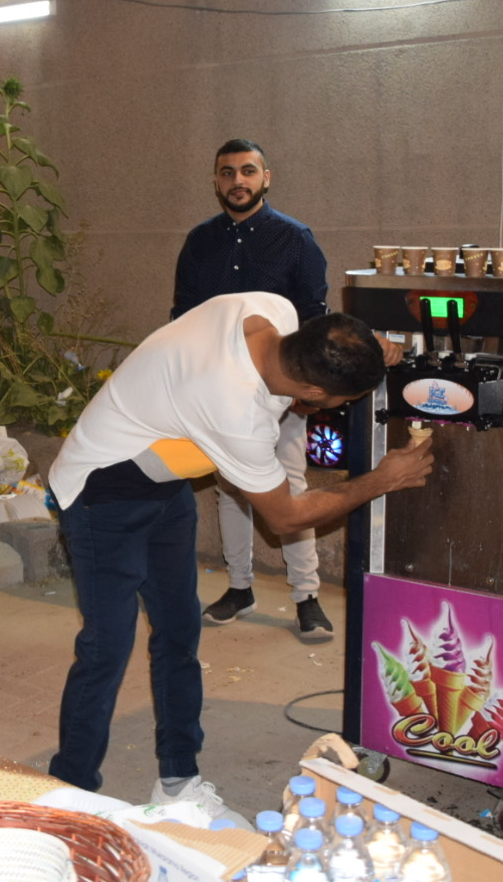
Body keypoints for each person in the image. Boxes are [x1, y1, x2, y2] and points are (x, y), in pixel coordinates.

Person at [46, 297, 434, 818]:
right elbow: (286, 517)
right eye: (340, 402)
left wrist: (366, 346)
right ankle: (66, 791)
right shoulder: (233, 408)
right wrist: (381, 480)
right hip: (99, 491)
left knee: (179, 633)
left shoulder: (269, 310)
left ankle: (178, 781)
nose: (333, 409)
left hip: (164, 481)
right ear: (314, 392)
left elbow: (309, 371)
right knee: (106, 647)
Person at [172, 139, 335, 640]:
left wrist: (308, 382)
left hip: (281, 390)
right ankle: (239, 588)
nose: (237, 181)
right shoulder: (200, 242)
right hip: (219, 391)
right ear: (215, 181)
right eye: (227, 172)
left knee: (291, 486)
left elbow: (314, 315)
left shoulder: (295, 239)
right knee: (230, 489)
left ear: (267, 178)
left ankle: (307, 597)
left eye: (247, 171)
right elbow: (183, 318)